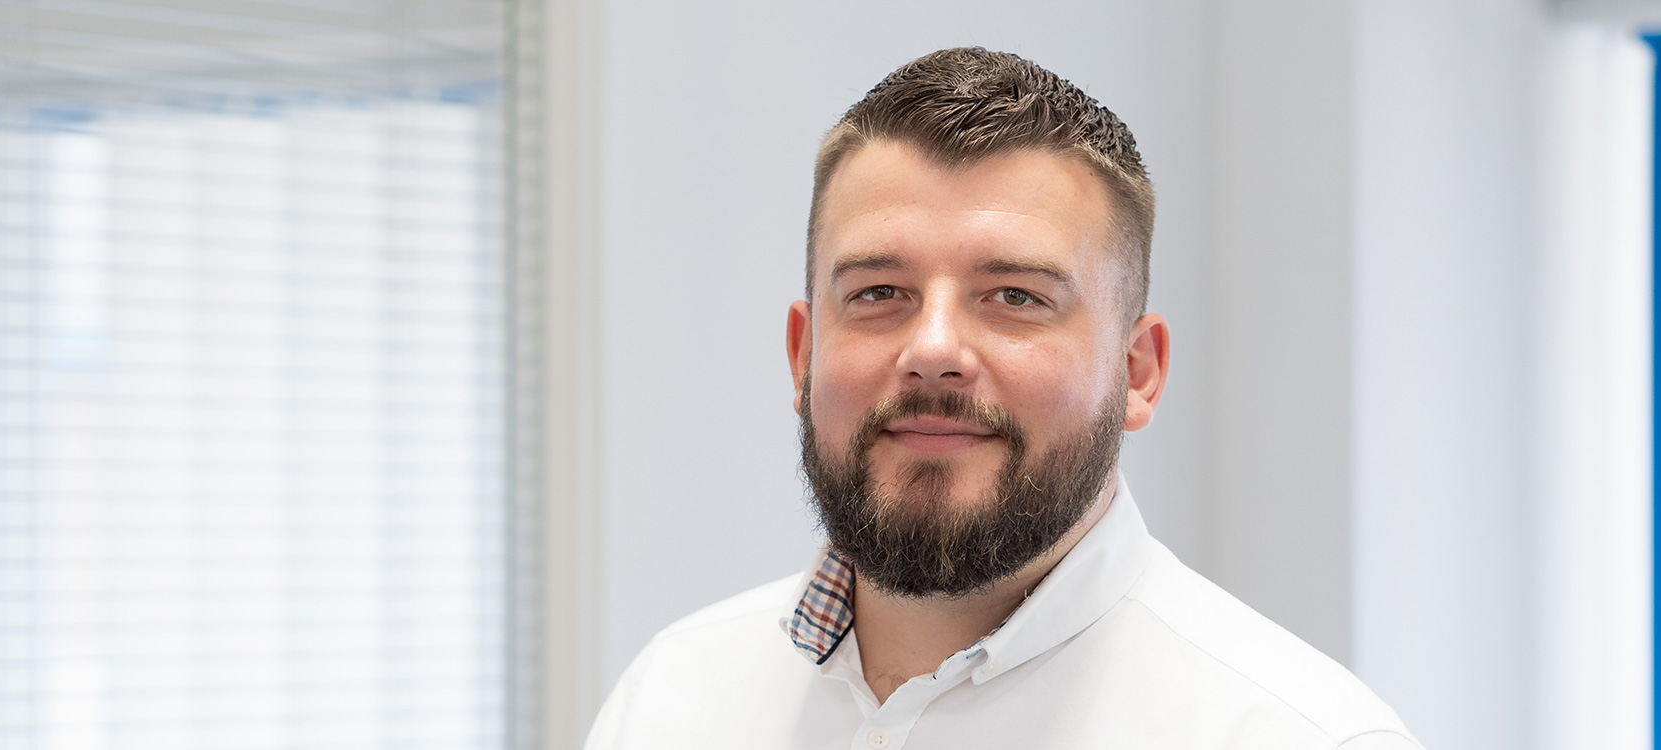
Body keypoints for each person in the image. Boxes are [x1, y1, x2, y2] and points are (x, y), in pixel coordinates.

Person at [582, 47, 1421, 750]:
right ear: (803, 357)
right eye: (879, 292)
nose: (933, 351)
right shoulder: (666, 703)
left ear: (1138, 372)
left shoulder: (1299, 734)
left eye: (1015, 296)